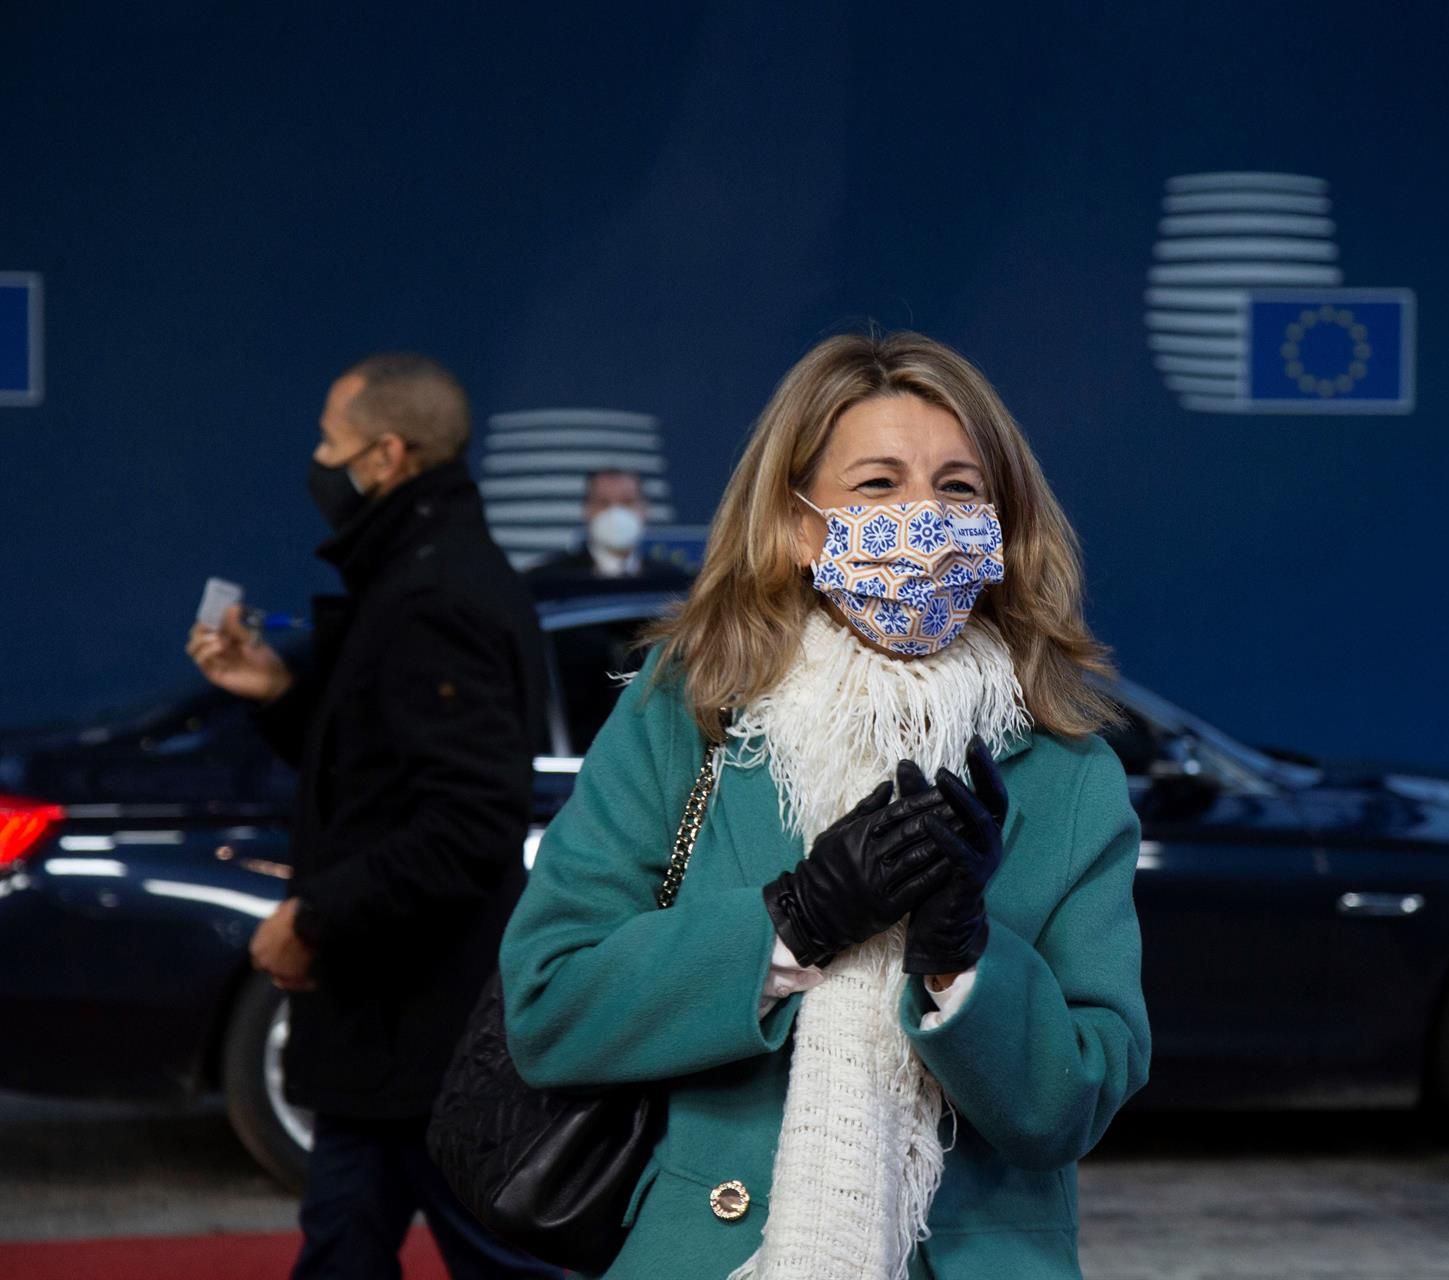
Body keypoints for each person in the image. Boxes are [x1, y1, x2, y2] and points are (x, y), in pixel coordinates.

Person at [499, 331, 1150, 1279]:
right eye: (879, 485)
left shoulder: (1067, 770)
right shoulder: (687, 717)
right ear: (800, 527)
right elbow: (550, 1006)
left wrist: (966, 961)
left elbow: (1075, 1104)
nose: (923, 516)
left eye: (959, 489)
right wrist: (794, 921)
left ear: (1001, 529)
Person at [185, 352, 561, 1280]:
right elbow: (383, 772)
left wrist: (313, 915)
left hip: (424, 1038)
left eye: (330, 441)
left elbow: (468, 820)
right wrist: (276, 693)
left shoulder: (436, 593)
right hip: (381, 1042)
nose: (319, 460)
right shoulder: (414, 576)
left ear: (387, 455)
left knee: (484, 1257)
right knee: (345, 1253)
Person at [526, 468, 692, 589]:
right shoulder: (549, 580)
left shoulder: (672, 582)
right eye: (604, 503)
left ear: (645, 510)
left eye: (627, 502)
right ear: (587, 510)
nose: (616, 513)